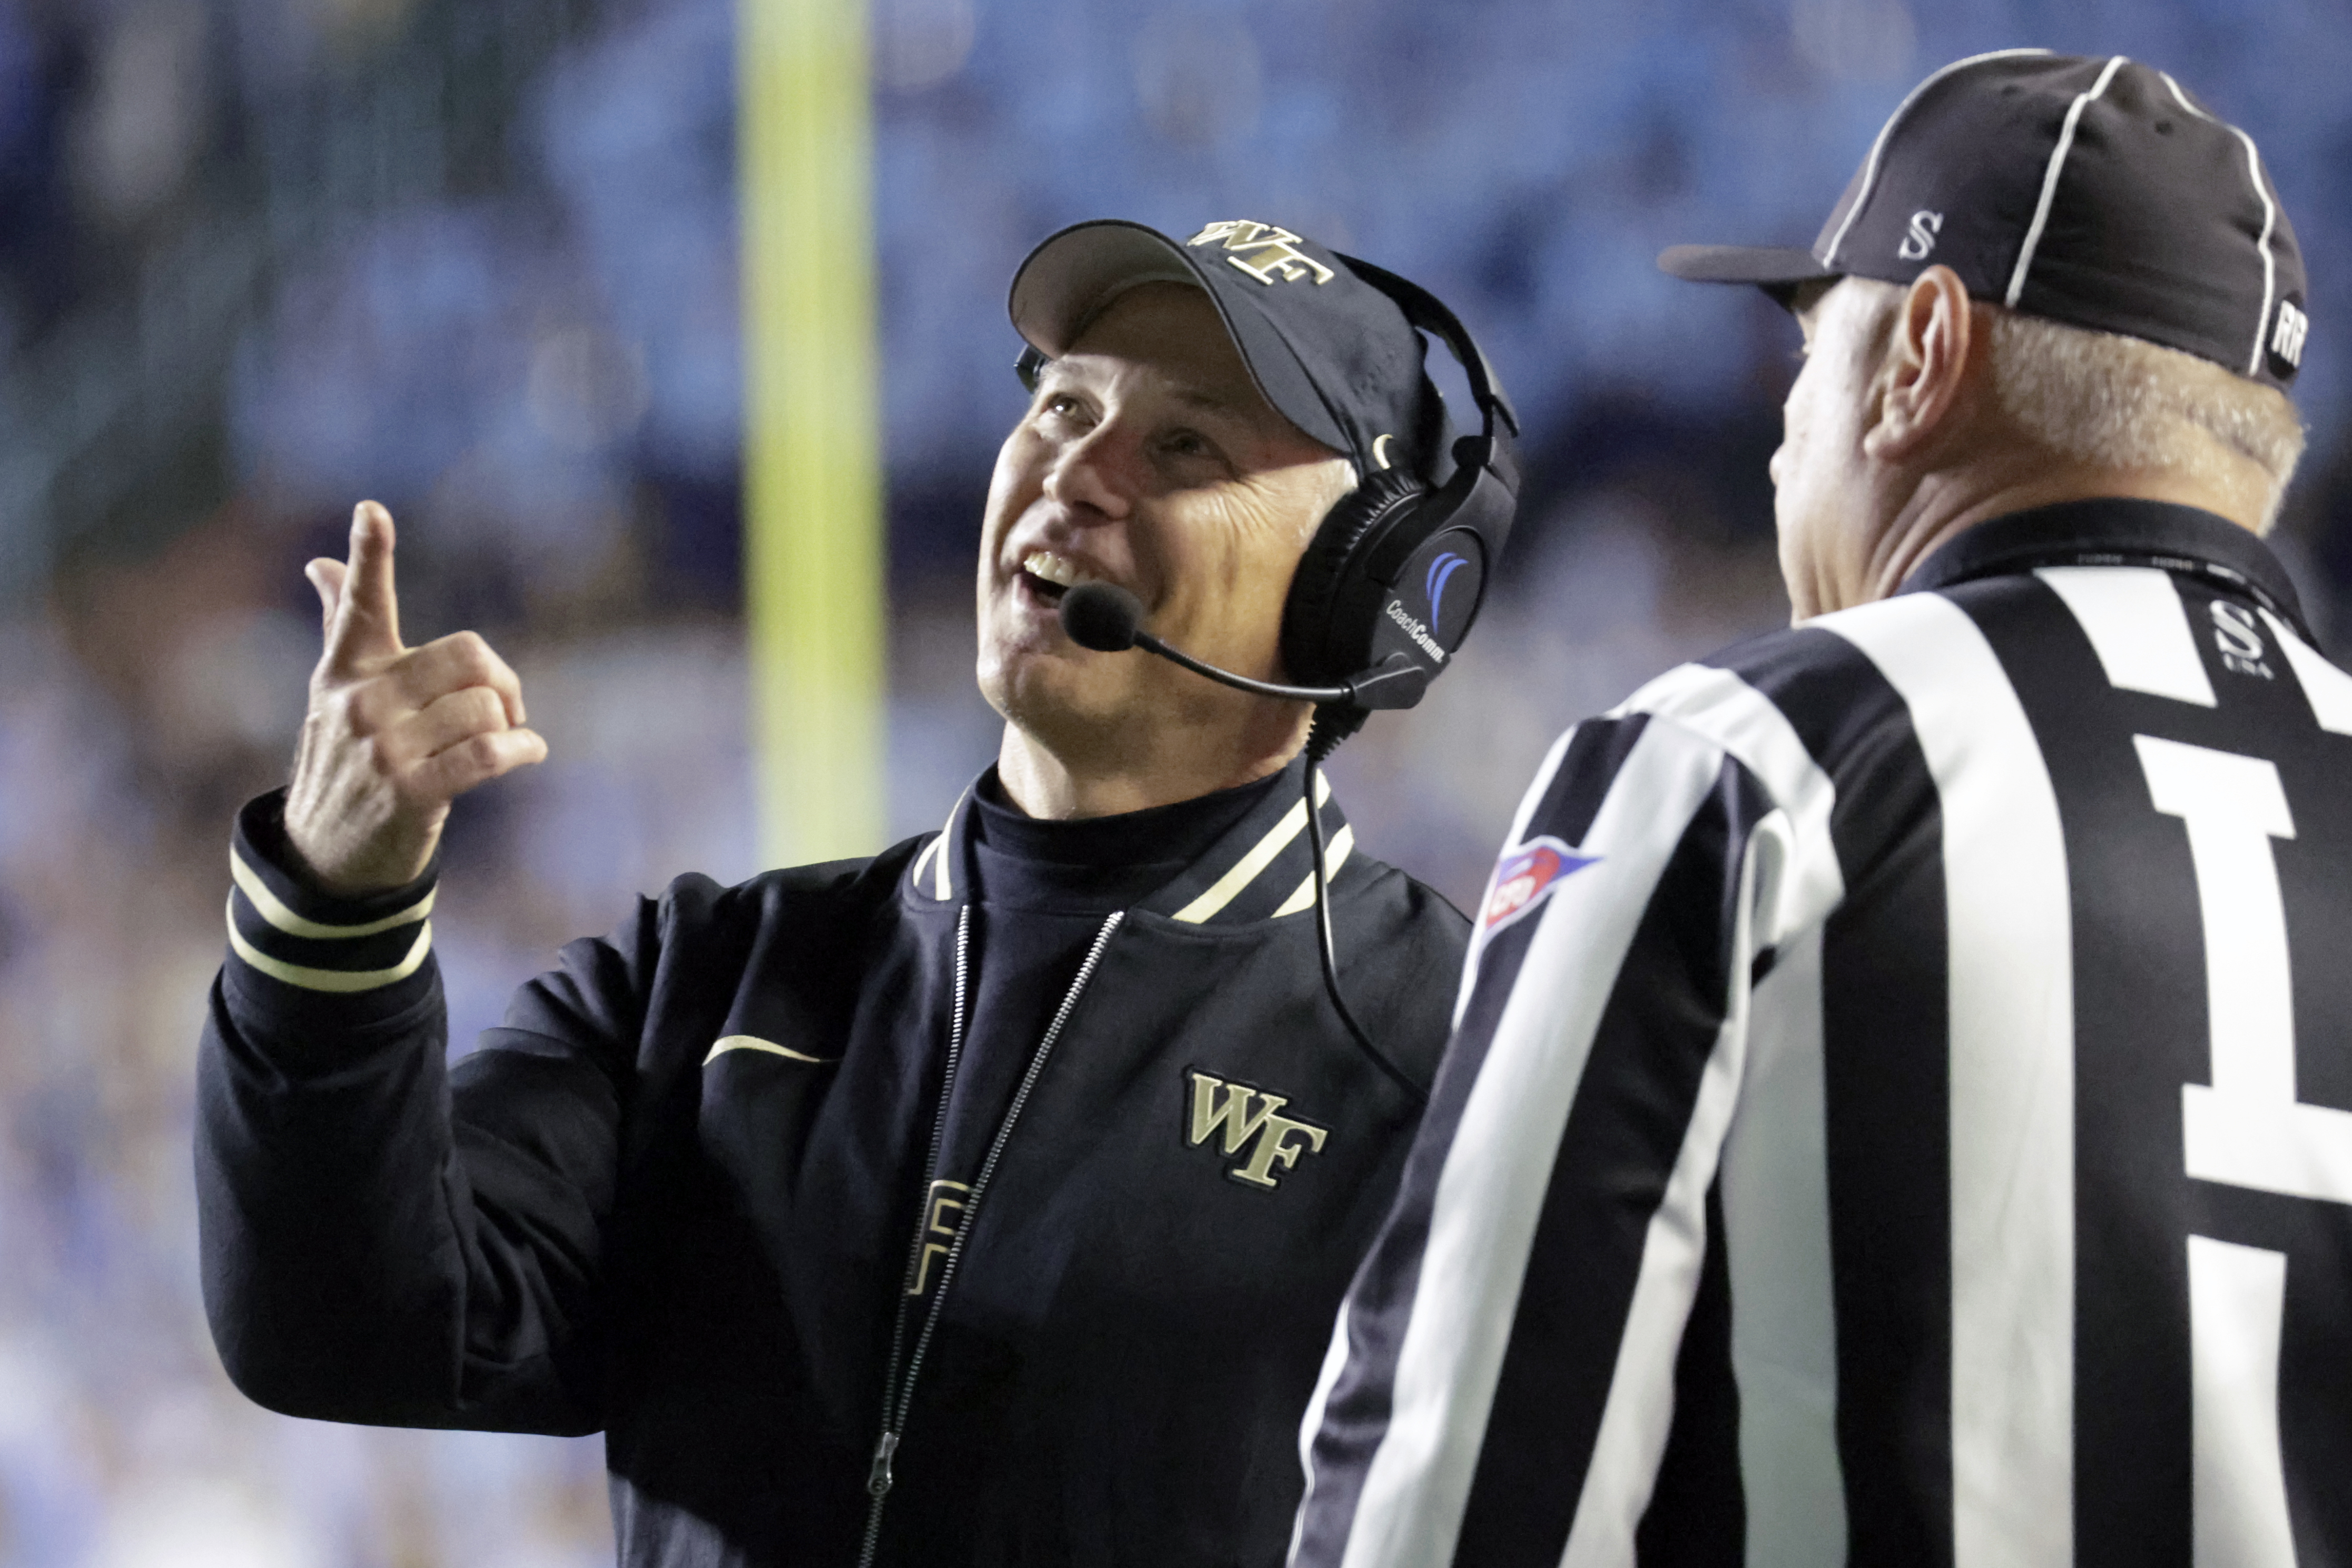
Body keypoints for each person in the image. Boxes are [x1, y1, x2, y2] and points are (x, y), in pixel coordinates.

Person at [197, 219, 1517, 1566]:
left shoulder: (1461, 1068)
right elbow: (343, 1328)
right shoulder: (706, 978)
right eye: (1064, 402)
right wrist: (333, 905)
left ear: (1363, 587)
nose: (1074, 471)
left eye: (1186, 446)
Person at [1293, 51, 2352, 1566]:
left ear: (1919, 353)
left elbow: (1453, 1482)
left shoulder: (1744, 759)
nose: (1787, 432)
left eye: (1808, 358)